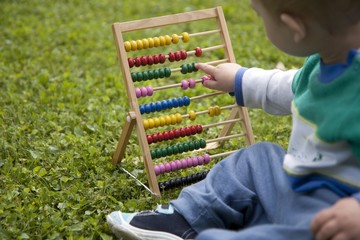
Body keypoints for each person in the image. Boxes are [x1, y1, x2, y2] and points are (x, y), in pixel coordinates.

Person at [106, 0, 360, 239]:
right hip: (298, 184)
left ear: (295, 28)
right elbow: (291, 86)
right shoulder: (324, 60)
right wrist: (241, 79)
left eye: (260, 15)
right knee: (258, 159)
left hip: (328, 219)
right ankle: (184, 219)